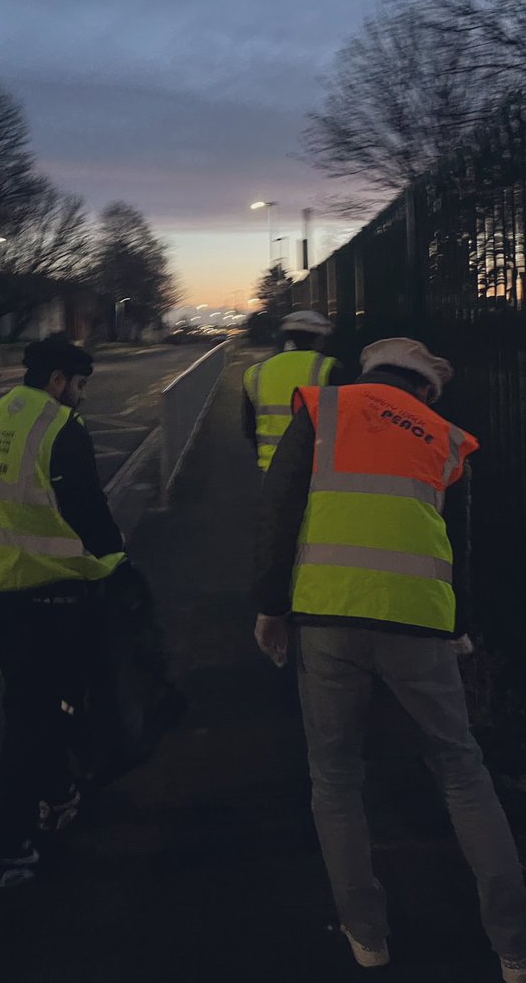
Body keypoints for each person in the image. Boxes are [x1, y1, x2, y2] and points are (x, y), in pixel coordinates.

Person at [252, 337, 526, 981]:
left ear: (369, 373)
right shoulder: (445, 437)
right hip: (417, 623)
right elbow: (456, 545)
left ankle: (367, 936)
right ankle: (513, 946)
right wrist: (458, 628)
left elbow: (278, 510)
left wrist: (270, 606)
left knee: (336, 778)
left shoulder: (323, 410)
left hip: (326, 613)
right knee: (461, 769)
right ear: (427, 390)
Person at [0, 337, 130, 888]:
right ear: (57, 380)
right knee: (31, 713)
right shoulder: (59, 426)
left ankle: (56, 793)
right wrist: (117, 565)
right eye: (80, 384)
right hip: (39, 589)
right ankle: (10, 847)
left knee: (39, 697)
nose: (82, 395)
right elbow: (88, 508)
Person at [242, 310, 341, 471]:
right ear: (319, 339)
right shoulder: (328, 368)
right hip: (317, 466)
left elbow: (249, 427)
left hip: (272, 466)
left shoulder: (256, 373)